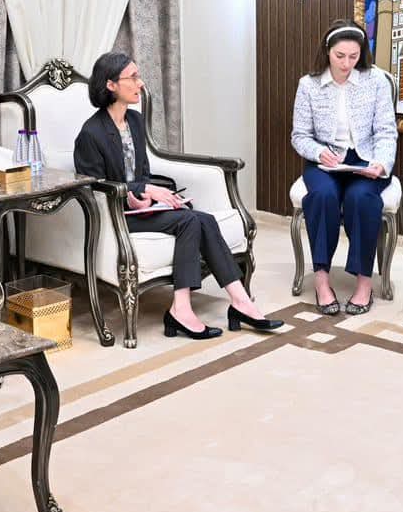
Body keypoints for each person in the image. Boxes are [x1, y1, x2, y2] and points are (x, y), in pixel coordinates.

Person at [75, 52, 282, 339]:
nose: (140, 83)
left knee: (204, 219)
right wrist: (137, 192)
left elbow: (142, 173)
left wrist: (146, 195)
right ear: (111, 85)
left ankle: (240, 302)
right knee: (189, 221)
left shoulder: (134, 121)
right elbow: (95, 187)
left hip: (140, 209)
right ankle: (182, 310)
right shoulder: (91, 134)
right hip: (116, 217)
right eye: (132, 77)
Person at [290, 20, 397, 315]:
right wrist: (319, 152)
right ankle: (321, 280)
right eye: (340, 56)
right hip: (325, 161)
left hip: (366, 158)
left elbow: (386, 132)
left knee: (361, 198)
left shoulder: (376, 81)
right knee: (322, 197)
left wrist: (381, 164)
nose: (346, 63)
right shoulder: (308, 85)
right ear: (327, 51)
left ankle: (364, 283)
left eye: (353, 56)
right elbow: (300, 136)